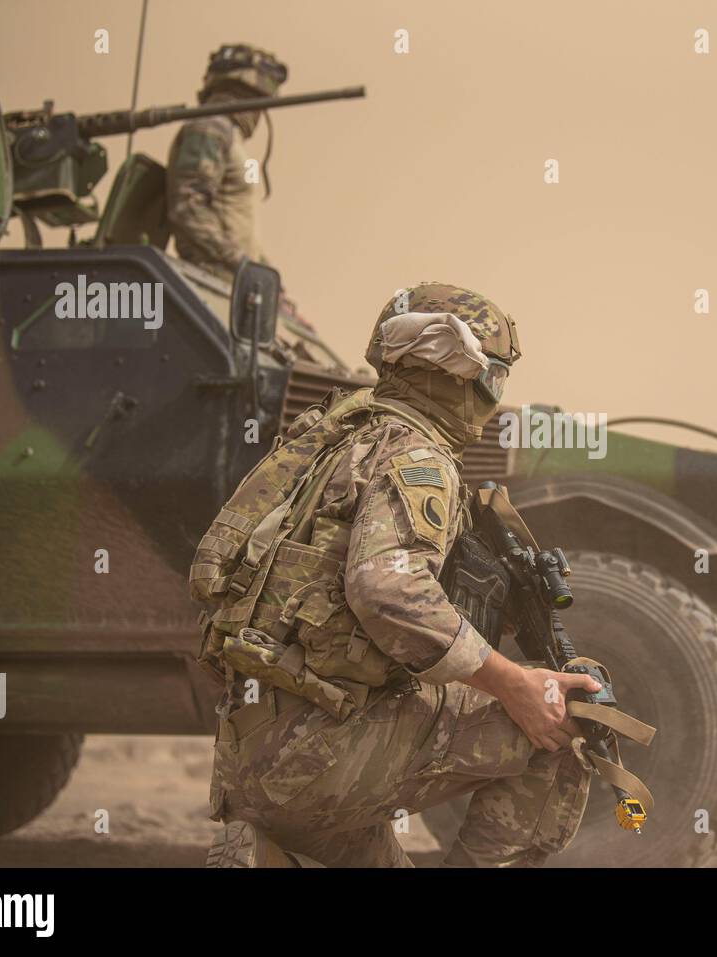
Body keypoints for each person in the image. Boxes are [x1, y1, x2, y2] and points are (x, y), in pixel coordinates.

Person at [201, 283, 596, 867]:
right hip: (323, 754)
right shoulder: (418, 458)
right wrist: (516, 683)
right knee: (571, 722)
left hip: (256, 750)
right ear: (455, 371)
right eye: (494, 377)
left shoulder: (333, 437)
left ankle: (268, 848)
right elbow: (389, 591)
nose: (495, 396)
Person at [166, 44, 286, 279]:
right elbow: (189, 207)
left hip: (231, 281)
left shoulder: (228, 135)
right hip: (212, 277)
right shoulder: (210, 129)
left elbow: (235, 224)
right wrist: (240, 263)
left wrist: (264, 272)